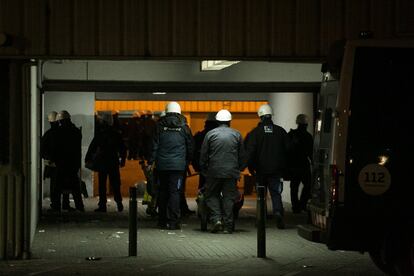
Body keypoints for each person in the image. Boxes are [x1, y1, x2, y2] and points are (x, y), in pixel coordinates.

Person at [148, 102, 193, 230]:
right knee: (175, 192)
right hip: (178, 168)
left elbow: (153, 146)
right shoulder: (184, 128)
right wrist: (188, 161)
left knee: (162, 192)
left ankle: (162, 221)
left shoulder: (159, 127)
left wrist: (151, 162)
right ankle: (174, 221)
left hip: (162, 166)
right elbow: (190, 146)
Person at [200, 109, 246, 234]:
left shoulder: (210, 134)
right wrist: (239, 169)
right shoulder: (237, 134)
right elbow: (242, 155)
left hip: (214, 171)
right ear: (229, 121)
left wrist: (204, 170)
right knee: (229, 198)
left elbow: (203, 155)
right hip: (231, 172)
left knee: (211, 195)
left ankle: (216, 220)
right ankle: (228, 226)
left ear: (217, 121)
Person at [246, 104, 288, 229]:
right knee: (276, 193)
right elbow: (289, 148)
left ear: (260, 116)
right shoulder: (280, 131)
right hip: (276, 170)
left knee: (261, 195)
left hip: (260, 170)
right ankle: (278, 212)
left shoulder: (255, 133)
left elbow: (250, 151)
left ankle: (261, 219)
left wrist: (250, 166)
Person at [86, 113, 127, 212]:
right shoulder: (116, 134)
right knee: (116, 183)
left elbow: (92, 147)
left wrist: (88, 159)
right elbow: (122, 149)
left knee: (102, 184)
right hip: (113, 161)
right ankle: (119, 203)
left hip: (102, 161)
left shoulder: (100, 133)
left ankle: (102, 205)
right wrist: (123, 160)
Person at [53, 110, 85, 212]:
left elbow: (56, 148)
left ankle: (57, 206)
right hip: (73, 163)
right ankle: (78, 206)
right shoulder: (75, 131)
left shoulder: (59, 132)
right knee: (74, 186)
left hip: (62, 163)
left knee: (58, 186)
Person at [40, 111, 71, 212]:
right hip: (64, 163)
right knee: (65, 184)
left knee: (55, 186)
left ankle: (56, 205)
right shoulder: (65, 133)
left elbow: (42, 150)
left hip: (53, 165)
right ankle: (65, 205)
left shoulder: (48, 134)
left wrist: (48, 159)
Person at [287, 114, 313, 213]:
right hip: (303, 164)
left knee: (294, 187)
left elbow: (286, 150)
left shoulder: (291, 135)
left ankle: (296, 206)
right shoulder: (308, 136)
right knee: (307, 185)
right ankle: (302, 204)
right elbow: (311, 152)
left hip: (294, 165)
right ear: (306, 124)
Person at [192, 112, 218, 190]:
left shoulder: (199, 135)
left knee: (204, 189)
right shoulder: (223, 136)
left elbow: (194, 151)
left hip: (203, 168)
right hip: (218, 168)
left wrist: (196, 166)